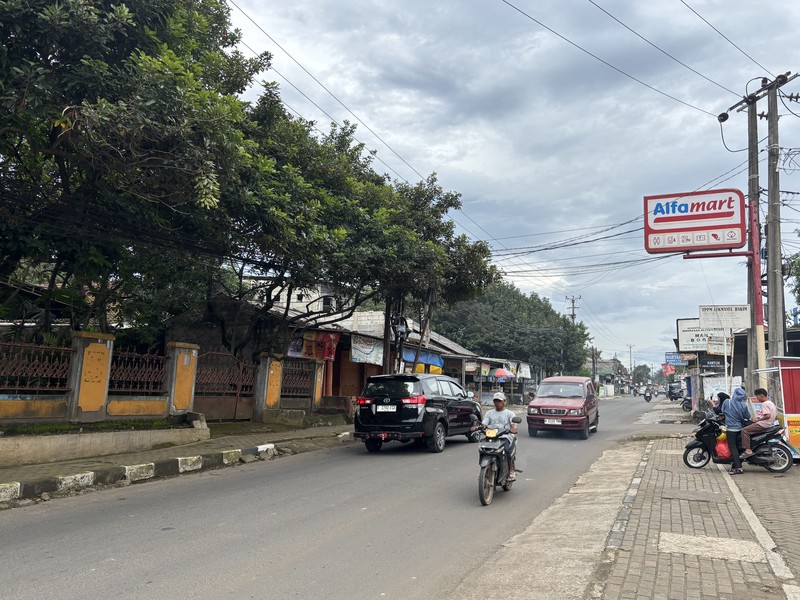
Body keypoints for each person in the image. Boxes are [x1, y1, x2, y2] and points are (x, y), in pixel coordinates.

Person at [475, 392, 518, 481]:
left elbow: (514, 425)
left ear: (504, 402)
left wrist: (513, 428)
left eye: (499, 401)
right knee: (482, 448)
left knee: (506, 451)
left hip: (505, 437)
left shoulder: (509, 414)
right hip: (492, 437)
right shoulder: (489, 413)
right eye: (495, 401)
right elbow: (484, 424)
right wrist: (477, 427)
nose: (497, 403)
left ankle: (511, 471)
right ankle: (484, 471)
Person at [740, 388, 778, 459]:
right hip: (770, 424)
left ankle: (748, 450)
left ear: (762, 395)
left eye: (757, 397)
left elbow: (768, 415)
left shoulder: (764, 404)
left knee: (744, 430)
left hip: (763, 424)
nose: (757, 399)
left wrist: (758, 420)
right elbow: (775, 417)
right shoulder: (771, 403)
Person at [721, 387, 750, 475]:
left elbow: (722, 411)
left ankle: (738, 467)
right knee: (738, 447)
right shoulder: (744, 405)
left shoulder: (727, 402)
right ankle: (736, 465)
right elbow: (747, 416)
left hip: (730, 429)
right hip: (740, 428)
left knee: (733, 447)